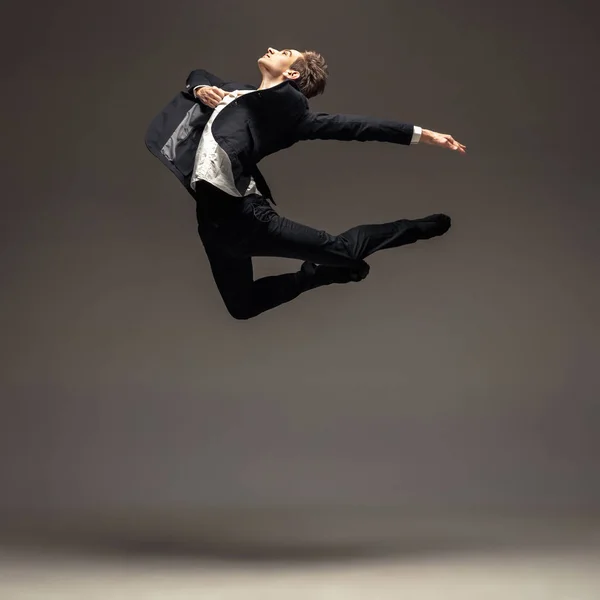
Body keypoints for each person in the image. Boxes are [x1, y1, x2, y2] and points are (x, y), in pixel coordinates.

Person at [145, 47, 466, 320]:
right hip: (213, 226)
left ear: (292, 76)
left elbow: (356, 126)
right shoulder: (234, 93)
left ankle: (418, 228)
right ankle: (315, 275)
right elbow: (198, 73)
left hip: (248, 218)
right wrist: (200, 89)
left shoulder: (290, 114)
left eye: (285, 53)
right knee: (242, 307)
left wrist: (424, 134)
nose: (273, 49)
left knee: (343, 252)